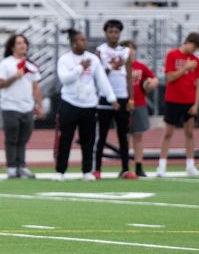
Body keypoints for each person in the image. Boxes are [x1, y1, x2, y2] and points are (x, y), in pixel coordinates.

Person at [54, 29, 118, 181]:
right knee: (66, 139)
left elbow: (101, 79)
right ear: (74, 43)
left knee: (88, 140)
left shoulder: (93, 59)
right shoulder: (64, 60)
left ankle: (87, 171)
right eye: (81, 40)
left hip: (89, 105)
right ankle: (60, 171)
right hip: (69, 103)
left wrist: (111, 97)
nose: (85, 43)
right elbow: (64, 79)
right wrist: (79, 68)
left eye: (85, 40)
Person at [0, 33, 41, 179]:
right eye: (19, 43)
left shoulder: (31, 64)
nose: (22, 45)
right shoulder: (6, 63)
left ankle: (21, 166)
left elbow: (36, 85)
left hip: (27, 107)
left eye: (24, 43)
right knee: (12, 137)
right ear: (13, 46)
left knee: (23, 138)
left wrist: (39, 105)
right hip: (10, 106)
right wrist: (14, 77)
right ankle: (12, 167)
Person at [157, 32, 199, 177]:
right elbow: (170, 77)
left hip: (189, 101)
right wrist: (185, 67)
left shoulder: (196, 60)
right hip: (173, 100)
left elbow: (198, 84)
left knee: (189, 133)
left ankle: (190, 165)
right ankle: (162, 166)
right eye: (194, 47)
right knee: (168, 133)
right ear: (188, 42)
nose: (194, 51)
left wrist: (196, 104)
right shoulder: (172, 55)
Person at [94, 20, 134, 179]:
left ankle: (125, 169)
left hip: (122, 96)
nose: (113, 35)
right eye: (110, 32)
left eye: (116, 32)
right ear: (105, 33)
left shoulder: (126, 52)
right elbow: (97, 74)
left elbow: (130, 76)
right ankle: (97, 169)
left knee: (123, 135)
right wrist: (111, 66)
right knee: (102, 135)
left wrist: (131, 98)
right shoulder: (100, 51)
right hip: (105, 97)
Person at [125, 40, 159, 177]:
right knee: (124, 137)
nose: (129, 51)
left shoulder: (140, 67)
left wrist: (151, 83)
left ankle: (139, 165)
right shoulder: (119, 66)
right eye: (127, 48)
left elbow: (153, 79)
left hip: (139, 103)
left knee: (138, 136)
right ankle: (125, 166)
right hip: (124, 104)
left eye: (132, 48)